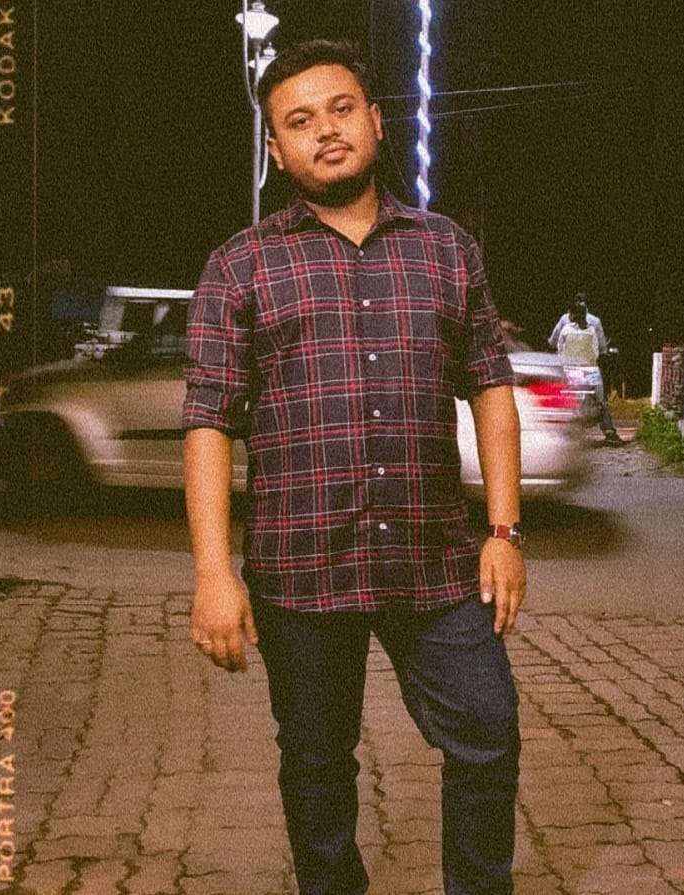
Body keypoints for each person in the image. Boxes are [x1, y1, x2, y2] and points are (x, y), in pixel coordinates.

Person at [182, 40, 525, 895]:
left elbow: (490, 387)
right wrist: (213, 573)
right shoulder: (239, 265)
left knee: (488, 733)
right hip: (300, 566)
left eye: (340, 109)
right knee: (315, 759)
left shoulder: (446, 249)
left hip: (435, 561)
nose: (325, 131)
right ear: (277, 150)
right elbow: (208, 422)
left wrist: (504, 530)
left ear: (374, 121)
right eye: (299, 121)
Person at [548, 295, 622, 444]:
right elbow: (598, 348)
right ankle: (609, 431)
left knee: (560, 394)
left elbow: (556, 343)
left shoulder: (564, 322)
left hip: (569, 369)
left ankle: (555, 429)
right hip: (589, 370)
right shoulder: (594, 324)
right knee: (601, 398)